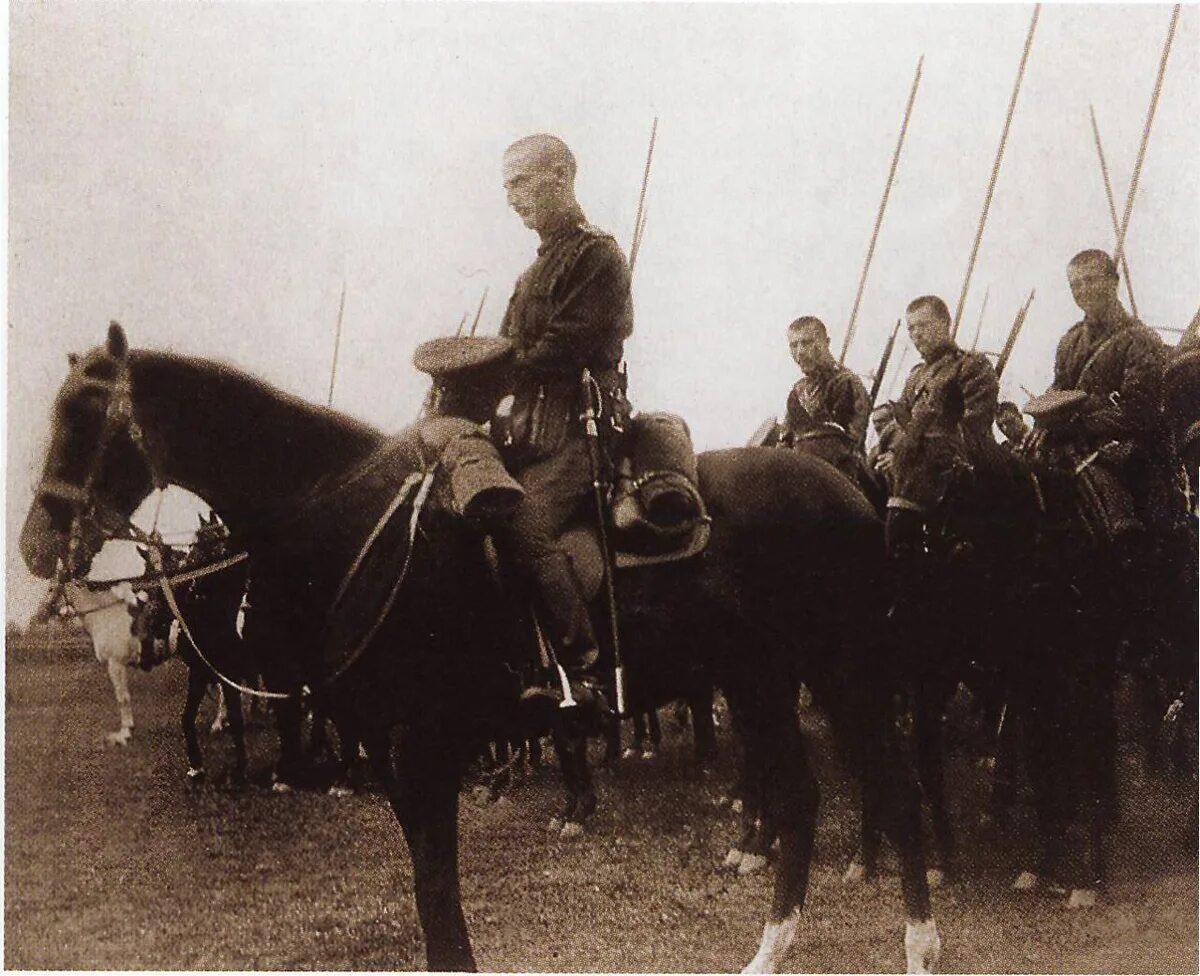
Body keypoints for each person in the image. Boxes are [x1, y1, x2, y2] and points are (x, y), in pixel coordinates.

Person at [494, 133, 633, 688]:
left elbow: (566, 343)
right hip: (530, 432)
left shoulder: (597, 253)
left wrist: (497, 368)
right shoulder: (535, 270)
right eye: (506, 185)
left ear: (559, 177)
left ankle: (583, 666)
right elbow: (507, 346)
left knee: (525, 527)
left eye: (519, 181)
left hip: (581, 431)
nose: (510, 196)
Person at [1026, 249, 1169, 544]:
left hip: (1122, 446)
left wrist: (1080, 424)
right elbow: (1060, 388)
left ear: (1113, 282)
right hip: (1070, 444)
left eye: (1090, 280)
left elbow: (1140, 410)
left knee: (1109, 504)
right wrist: (1042, 420)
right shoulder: (1070, 341)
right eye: (1075, 284)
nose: (1082, 291)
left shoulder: (1140, 340)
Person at [875, 295, 1001, 557]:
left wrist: (915, 451)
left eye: (924, 325)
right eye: (911, 328)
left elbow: (973, 424)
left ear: (945, 323)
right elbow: (903, 424)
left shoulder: (970, 365)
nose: (916, 334)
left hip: (964, 462)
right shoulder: (915, 376)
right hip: (917, 466)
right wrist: (896, 453)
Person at [779, 316, 871, 486]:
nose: (800, 352)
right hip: (800, 475)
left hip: (842, 479)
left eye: (807, 343)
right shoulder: (797, 392)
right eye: (794, 345)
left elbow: (849, 443)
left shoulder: (846, 383)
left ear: (826, 342)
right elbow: (785, 441)